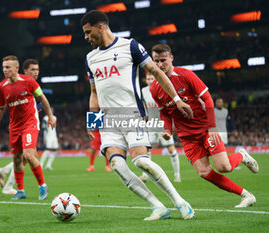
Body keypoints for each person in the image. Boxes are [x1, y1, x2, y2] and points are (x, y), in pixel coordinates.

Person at [82, 10, 195, 221]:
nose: (86, 37)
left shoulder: (130, 46)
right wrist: (92, 120)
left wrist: (177, 99)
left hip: (132, 115)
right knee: (116, 164)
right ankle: (158, 207)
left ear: (100, 27)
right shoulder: (90, 58)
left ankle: (180, 201)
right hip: (108, 121)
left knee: (141, 162)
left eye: (88, 32)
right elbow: (94, 92)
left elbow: (157, 73)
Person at [149, 43, 259, 208]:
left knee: (224, 167)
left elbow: (207, 98)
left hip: (205, 129)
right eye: (155, 61)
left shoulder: (186, 75)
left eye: (163, 60)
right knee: (203, 172)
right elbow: (164, 111)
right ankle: (245, 195)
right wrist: (166, 129)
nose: (159, 65)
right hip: (187, 136)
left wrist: (212, 126)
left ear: (171, 58)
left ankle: (241, 156)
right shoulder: (154, 88)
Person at [0, 55, 56, 200]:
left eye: (7, 67)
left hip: (30, 124)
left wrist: (50, 115)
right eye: (3, 67)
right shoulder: (2, 86)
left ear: (16, 68)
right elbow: (0, 108)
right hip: (14, 127)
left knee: (28, 155)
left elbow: (42, 98)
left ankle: (42, 185)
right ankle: (20, 190)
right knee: (17, 159)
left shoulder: (28, 81)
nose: (4, 70)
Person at [0, 58, 41, 195]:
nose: (36, 73)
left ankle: (6, 174)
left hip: (31, 123)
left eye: (37, 70)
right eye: (33, 70)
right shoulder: (22, 83)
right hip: (26, 125)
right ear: (24, 70)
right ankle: (9, 185)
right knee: (28, 156)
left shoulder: (29, 84)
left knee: (28, 156)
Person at [139, 72, 181, 183]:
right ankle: (145, 175)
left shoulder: (162, 88)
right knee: (146, 149)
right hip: (151, 123)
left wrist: (171, 123)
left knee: (171, 149)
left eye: (152, 78)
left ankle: (177, 175)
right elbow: (145, 107)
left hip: (163, 123)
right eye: (148, 79)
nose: (150, 81)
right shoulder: (143, 91)